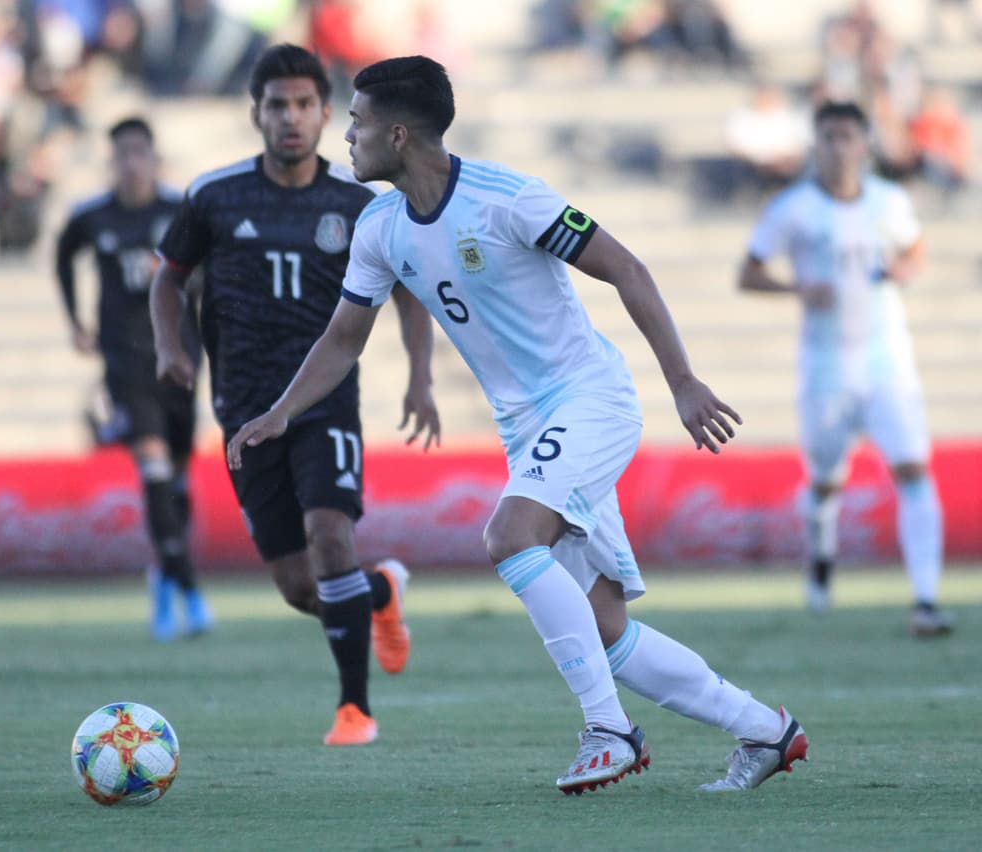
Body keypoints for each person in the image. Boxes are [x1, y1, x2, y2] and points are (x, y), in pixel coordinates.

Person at [228, 55, 807, 794]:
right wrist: (281, 412)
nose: (347, 136)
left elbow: (626, 268)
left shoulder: (509, 199)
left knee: (508, 537)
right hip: (528, 429)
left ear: (399, 134)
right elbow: (344, 339)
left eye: (357, 122)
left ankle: (610, 731)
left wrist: (683, 383)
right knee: (606, 631)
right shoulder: (378, 226)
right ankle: (766, 730)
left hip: (589, 399)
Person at [151, 44, 440, 747]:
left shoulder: (357, 200)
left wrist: (420, 376)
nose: (291, 117)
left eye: (305, 104)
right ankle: (380, 593)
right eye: (277, 104)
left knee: (330, 536)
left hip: (324, 401)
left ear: (322, 113)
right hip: (243, 409)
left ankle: (354, 711)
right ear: (257, 113)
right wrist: (170, 347)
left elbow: (407, 291)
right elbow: (166, 277)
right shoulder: (214, 196)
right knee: (299, 585)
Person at [738, 101, 954, 637]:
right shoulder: (793, 208)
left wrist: (907, 266)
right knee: (825, 484)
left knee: (912, 469)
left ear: (865, 144)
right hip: (825, 366)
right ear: (817, 144)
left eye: (848, 136)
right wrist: (796, 288)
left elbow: (915, 247)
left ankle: (925, 600)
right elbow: (748, 272)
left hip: (887, 361)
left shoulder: (889, 200)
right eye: (829, 136)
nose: (838, 147)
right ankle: (821, 566)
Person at [55, 116, 213, 642]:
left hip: (181, 361)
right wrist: (76, 321)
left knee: (179, 482)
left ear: (153, 157)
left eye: (139, 151)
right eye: (121, 153)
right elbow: (62, 255)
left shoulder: (177, 212)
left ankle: (165, 580)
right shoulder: (93, 218)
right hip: (124, 365)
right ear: (111, 159)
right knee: (153, 471)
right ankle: (189, 595)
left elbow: (208, 274)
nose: (131, 162)